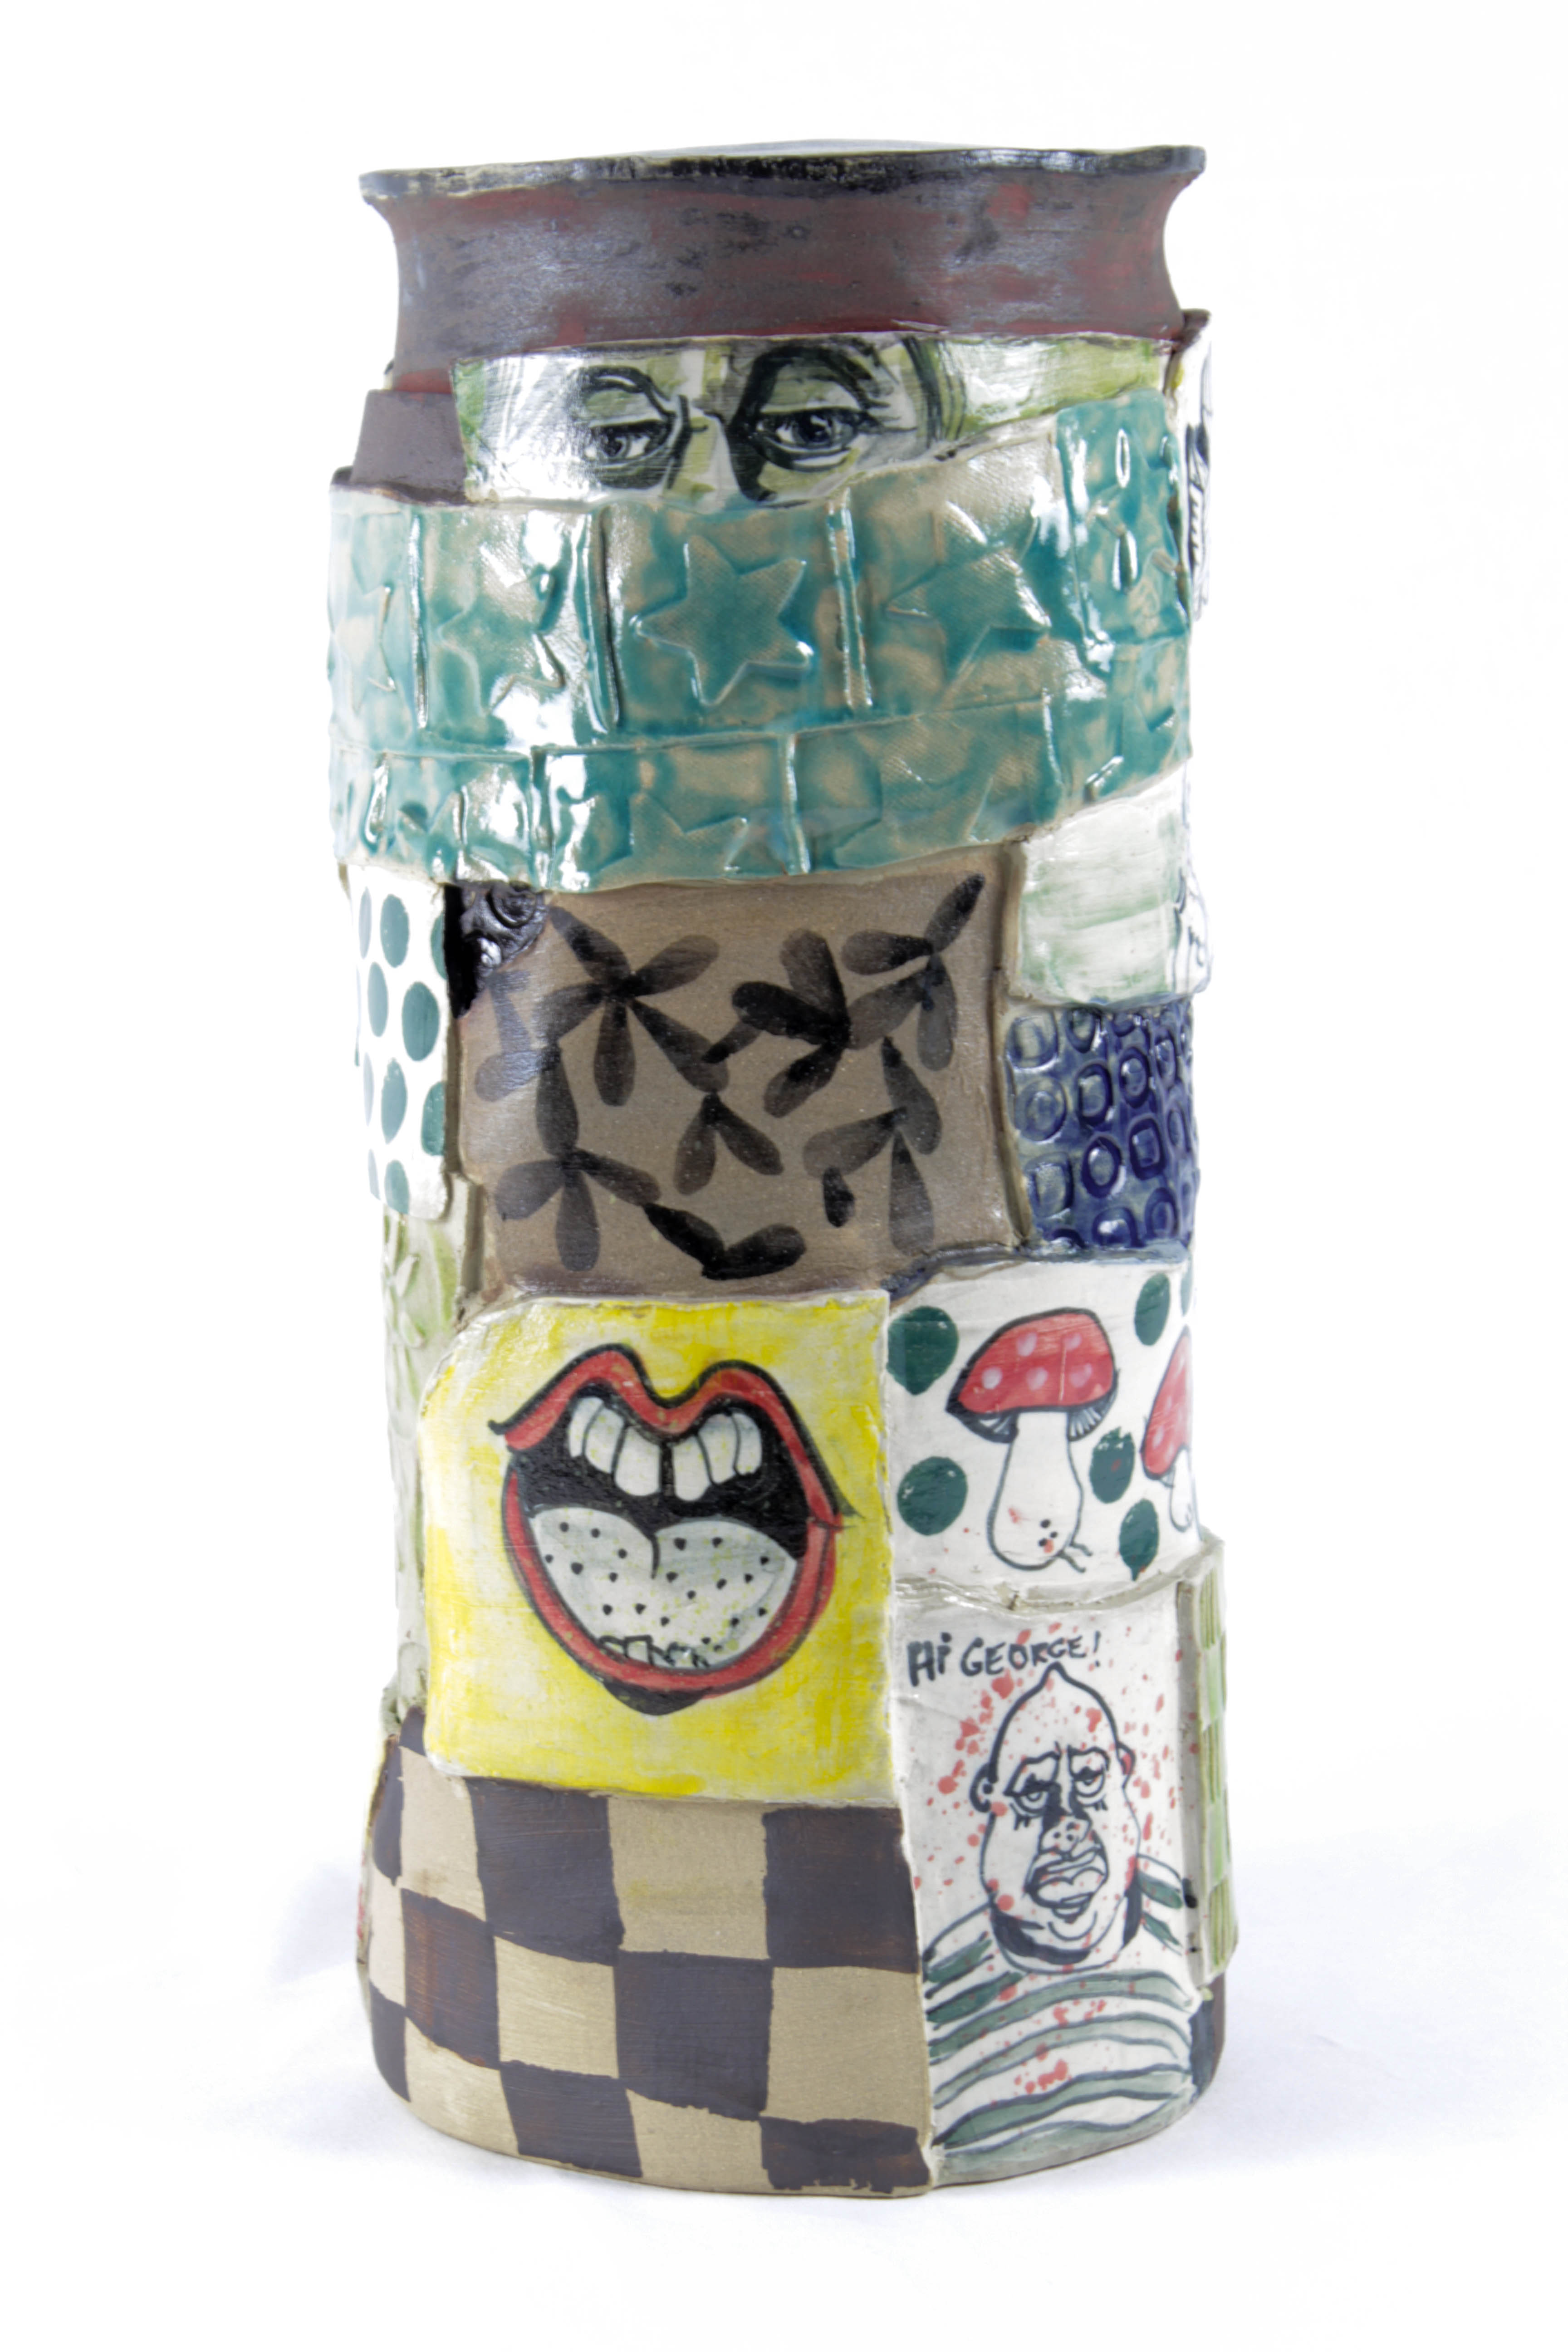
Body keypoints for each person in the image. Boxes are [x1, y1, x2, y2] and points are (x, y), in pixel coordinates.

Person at [921, 1662, 1214, 2180]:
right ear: (990, 1799)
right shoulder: (941, 1985)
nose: (1068, 1824)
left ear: (1123, 1771)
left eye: (1090, 1779)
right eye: (1035, 1793)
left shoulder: (1176, 1919)